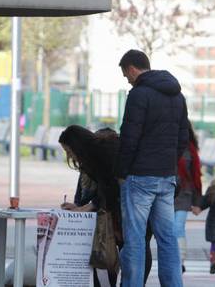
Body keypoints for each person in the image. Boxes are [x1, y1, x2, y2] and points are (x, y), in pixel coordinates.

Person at [116, 49, 189, 287]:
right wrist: (168, 162)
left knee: (135, 240)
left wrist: (121, 172)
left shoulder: (139, 94)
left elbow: (129, 137)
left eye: (126, 74)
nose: (127, 79)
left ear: (132, 69)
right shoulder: (177, 96)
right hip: (166, 177)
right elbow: (183, 138)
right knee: (167, 239)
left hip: (139, 177)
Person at [58, 125, 153, 287]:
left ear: (77, 145)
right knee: (134, 246)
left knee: (136, 246)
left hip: (138, 200)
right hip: (131, 201)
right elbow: (105, 187)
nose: (69, 155)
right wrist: (80, 206)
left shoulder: (103, 152)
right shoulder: (94, 156)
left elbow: (112, 186)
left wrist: (90, 207)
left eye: (69, 150)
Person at [174, 121, 202, 273]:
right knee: (168, 231)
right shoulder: (165, 146)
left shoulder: (190, 150)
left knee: (178, 228)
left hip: (184, 195)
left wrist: (198, 202)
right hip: (167, 195)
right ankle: (173, 259)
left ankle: (180, 261)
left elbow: (196, 177)